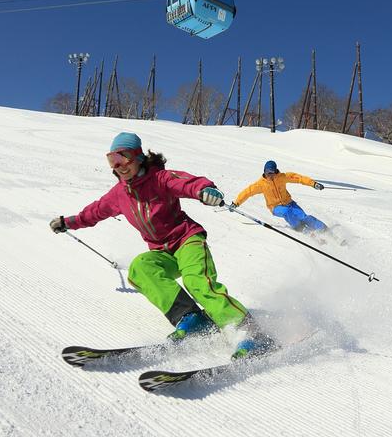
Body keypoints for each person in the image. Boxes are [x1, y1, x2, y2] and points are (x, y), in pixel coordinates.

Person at [49, 131, 272, 359]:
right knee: (141, 268)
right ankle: (191, 318)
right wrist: (69, 222)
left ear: (137, 157)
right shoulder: (119, 194)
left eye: (123, 158)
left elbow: (188, 182)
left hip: (187, 240)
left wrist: (205, 190)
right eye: (112, 160)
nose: (119, 166)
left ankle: (249, 332)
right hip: (161, 251)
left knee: (197, 282)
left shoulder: (160, 178)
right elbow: (95, 212)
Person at [229, 160, 328, 233]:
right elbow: (247, 192)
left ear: (275, 171)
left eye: (272, 173)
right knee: (286, 212)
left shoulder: (282, 177)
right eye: (268, 173)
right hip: (275, 207)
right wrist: (236, 203)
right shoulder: (261, 184)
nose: (270, 175)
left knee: (303, 216)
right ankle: (299, 227)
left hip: (289, 203)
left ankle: (323, 229)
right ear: (264, 172)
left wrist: (313, 184)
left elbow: (298, 178)